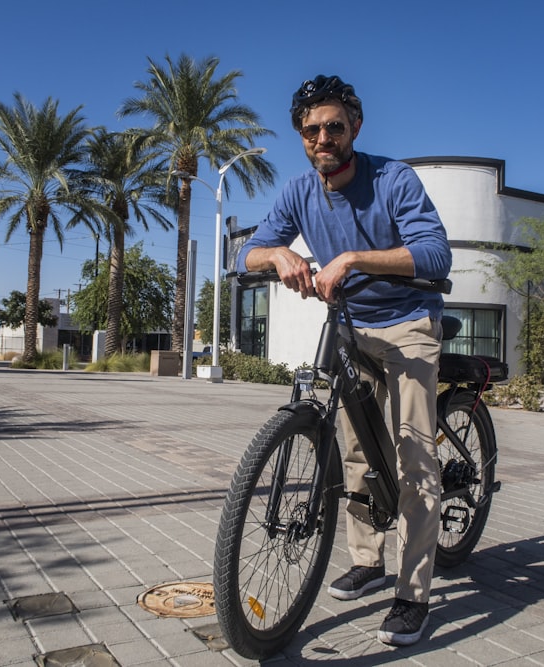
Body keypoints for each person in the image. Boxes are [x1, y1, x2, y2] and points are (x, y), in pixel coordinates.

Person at [236, 74, 452, 646]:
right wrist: (277, 253)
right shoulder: (298, 191)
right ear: (301, 138)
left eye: (335, 126)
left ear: (355, 127)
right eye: (312, 129)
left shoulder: (393, 179)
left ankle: (412, 594)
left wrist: (353, 259)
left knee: (413, 454)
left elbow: (435, 250)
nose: (323, 137)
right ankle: (366, 560)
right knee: (353, 449)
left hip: (408, 321)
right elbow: (246, 252)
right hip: (350, 325)